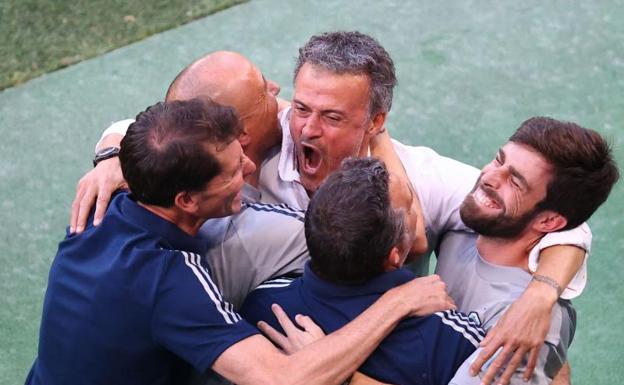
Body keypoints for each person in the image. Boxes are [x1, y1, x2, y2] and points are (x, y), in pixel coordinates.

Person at [71, 34, 591, 383]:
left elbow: (565, 224)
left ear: (375, 120)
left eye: (333, 116)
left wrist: (542, 297)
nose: (307, 129)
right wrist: (114, 153)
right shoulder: (267, 136)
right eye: (300, 108)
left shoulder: (423, 180)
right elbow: (163, 125)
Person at [26, 98, 455, 385]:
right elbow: (285, 379)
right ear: (187, 200)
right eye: (232, 172)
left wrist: (109, 155)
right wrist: (398, 302)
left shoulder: (107, 204)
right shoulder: (169, 279)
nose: (250, 168)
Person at [74, 51, 309, 309]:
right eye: (264, 92)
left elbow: (136, 127)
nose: (277, 90)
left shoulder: (151, 167)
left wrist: (111, 153)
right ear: (240, 133)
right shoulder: (271, 232)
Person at [241, 157, 485, 385]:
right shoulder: (448, 340)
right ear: (395, 256)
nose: (416, 212)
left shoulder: (261, 306)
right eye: (411, 207)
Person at [433, 117, 619, 384]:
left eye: (516, 183)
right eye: (499, 159)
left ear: (548, 222)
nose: (490, 178)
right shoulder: (468, 222)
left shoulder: (534, 330)